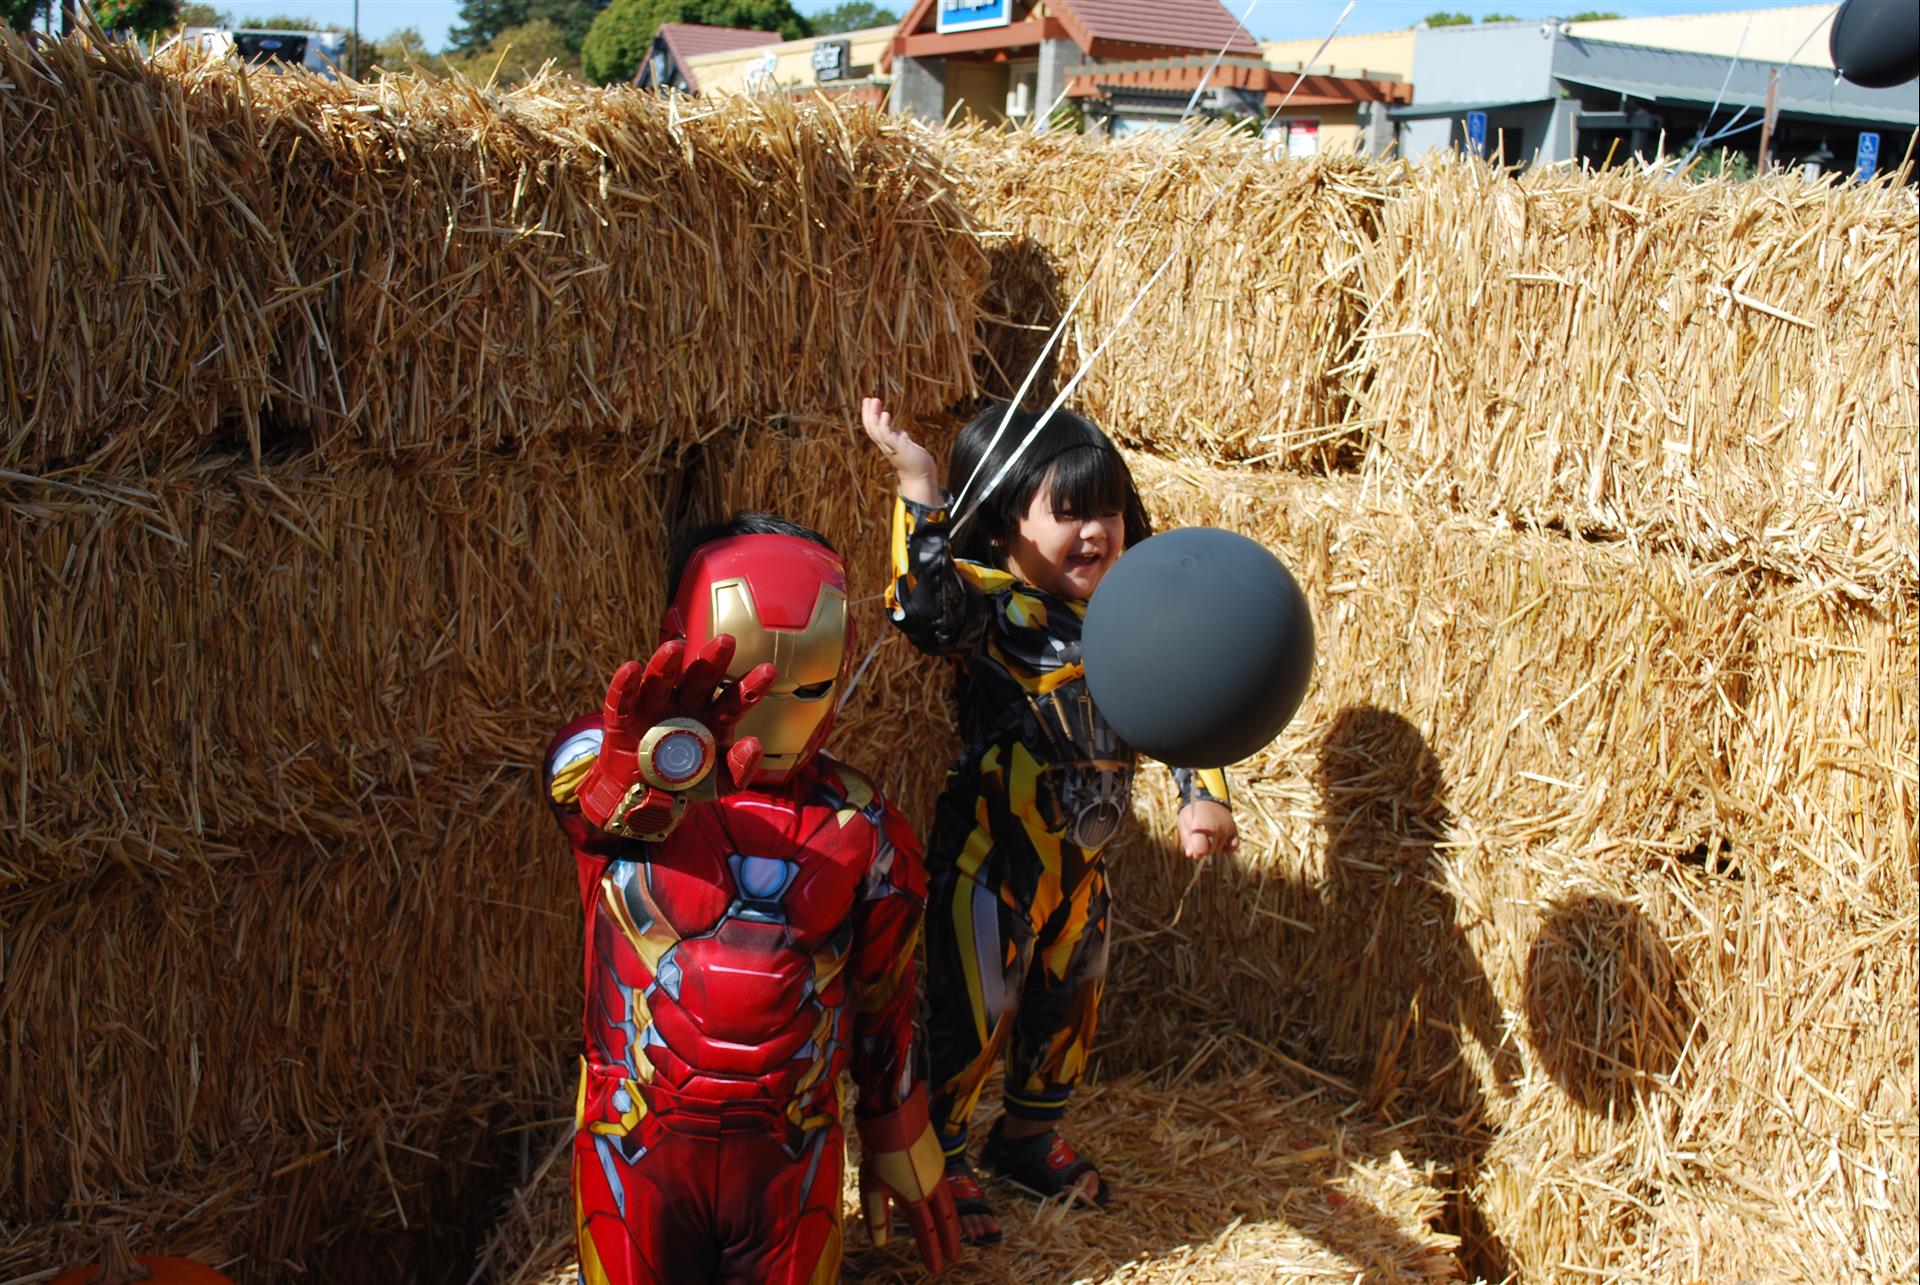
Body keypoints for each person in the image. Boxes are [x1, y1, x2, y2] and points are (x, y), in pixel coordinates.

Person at [544, 512, 960, 1284]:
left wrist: (895, 1119)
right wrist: (640, 772)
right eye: (746, 685)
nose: (774, 714)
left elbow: (885, 995)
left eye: (808, 685)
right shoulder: (619, 774)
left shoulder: (861, 826)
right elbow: (589, 801)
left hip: (788, 1159)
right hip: (633, 1147)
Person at [861, 398, 1239, 1245]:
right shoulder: (995, 608)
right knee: (976, 1008)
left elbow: (1184, 712)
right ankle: (945, 1149)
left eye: (1105, 508)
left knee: (1069, 1004)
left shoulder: (1138, 625)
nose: (1096, 530)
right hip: (990, 864)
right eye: (1066, 513)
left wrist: (1201, 793)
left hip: (1081, 872)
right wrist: (920, 487)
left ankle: (1026, 1135)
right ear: (1002, 531)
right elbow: (922, 609)